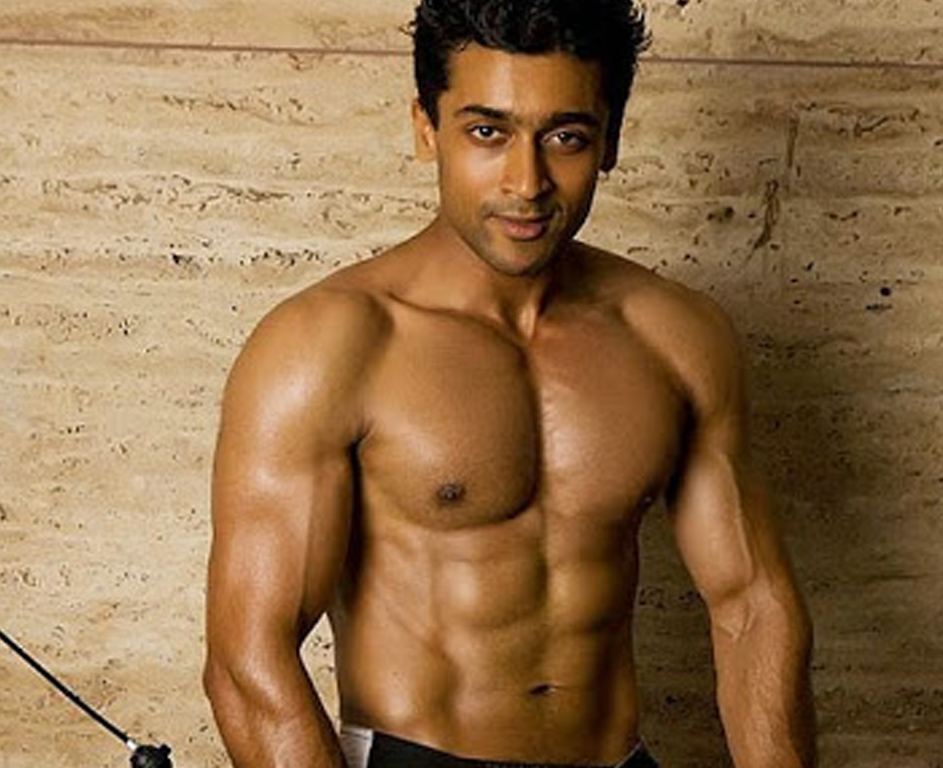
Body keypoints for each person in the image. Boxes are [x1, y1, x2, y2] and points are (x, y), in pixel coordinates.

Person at [203, 0, 817, 766]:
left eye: (565, 137)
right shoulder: (330, 345)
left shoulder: (675, 336)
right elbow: (248, 660)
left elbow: (752, 604)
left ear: (611, 140)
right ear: (426, 129)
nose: (527, 183)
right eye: (488, 133)